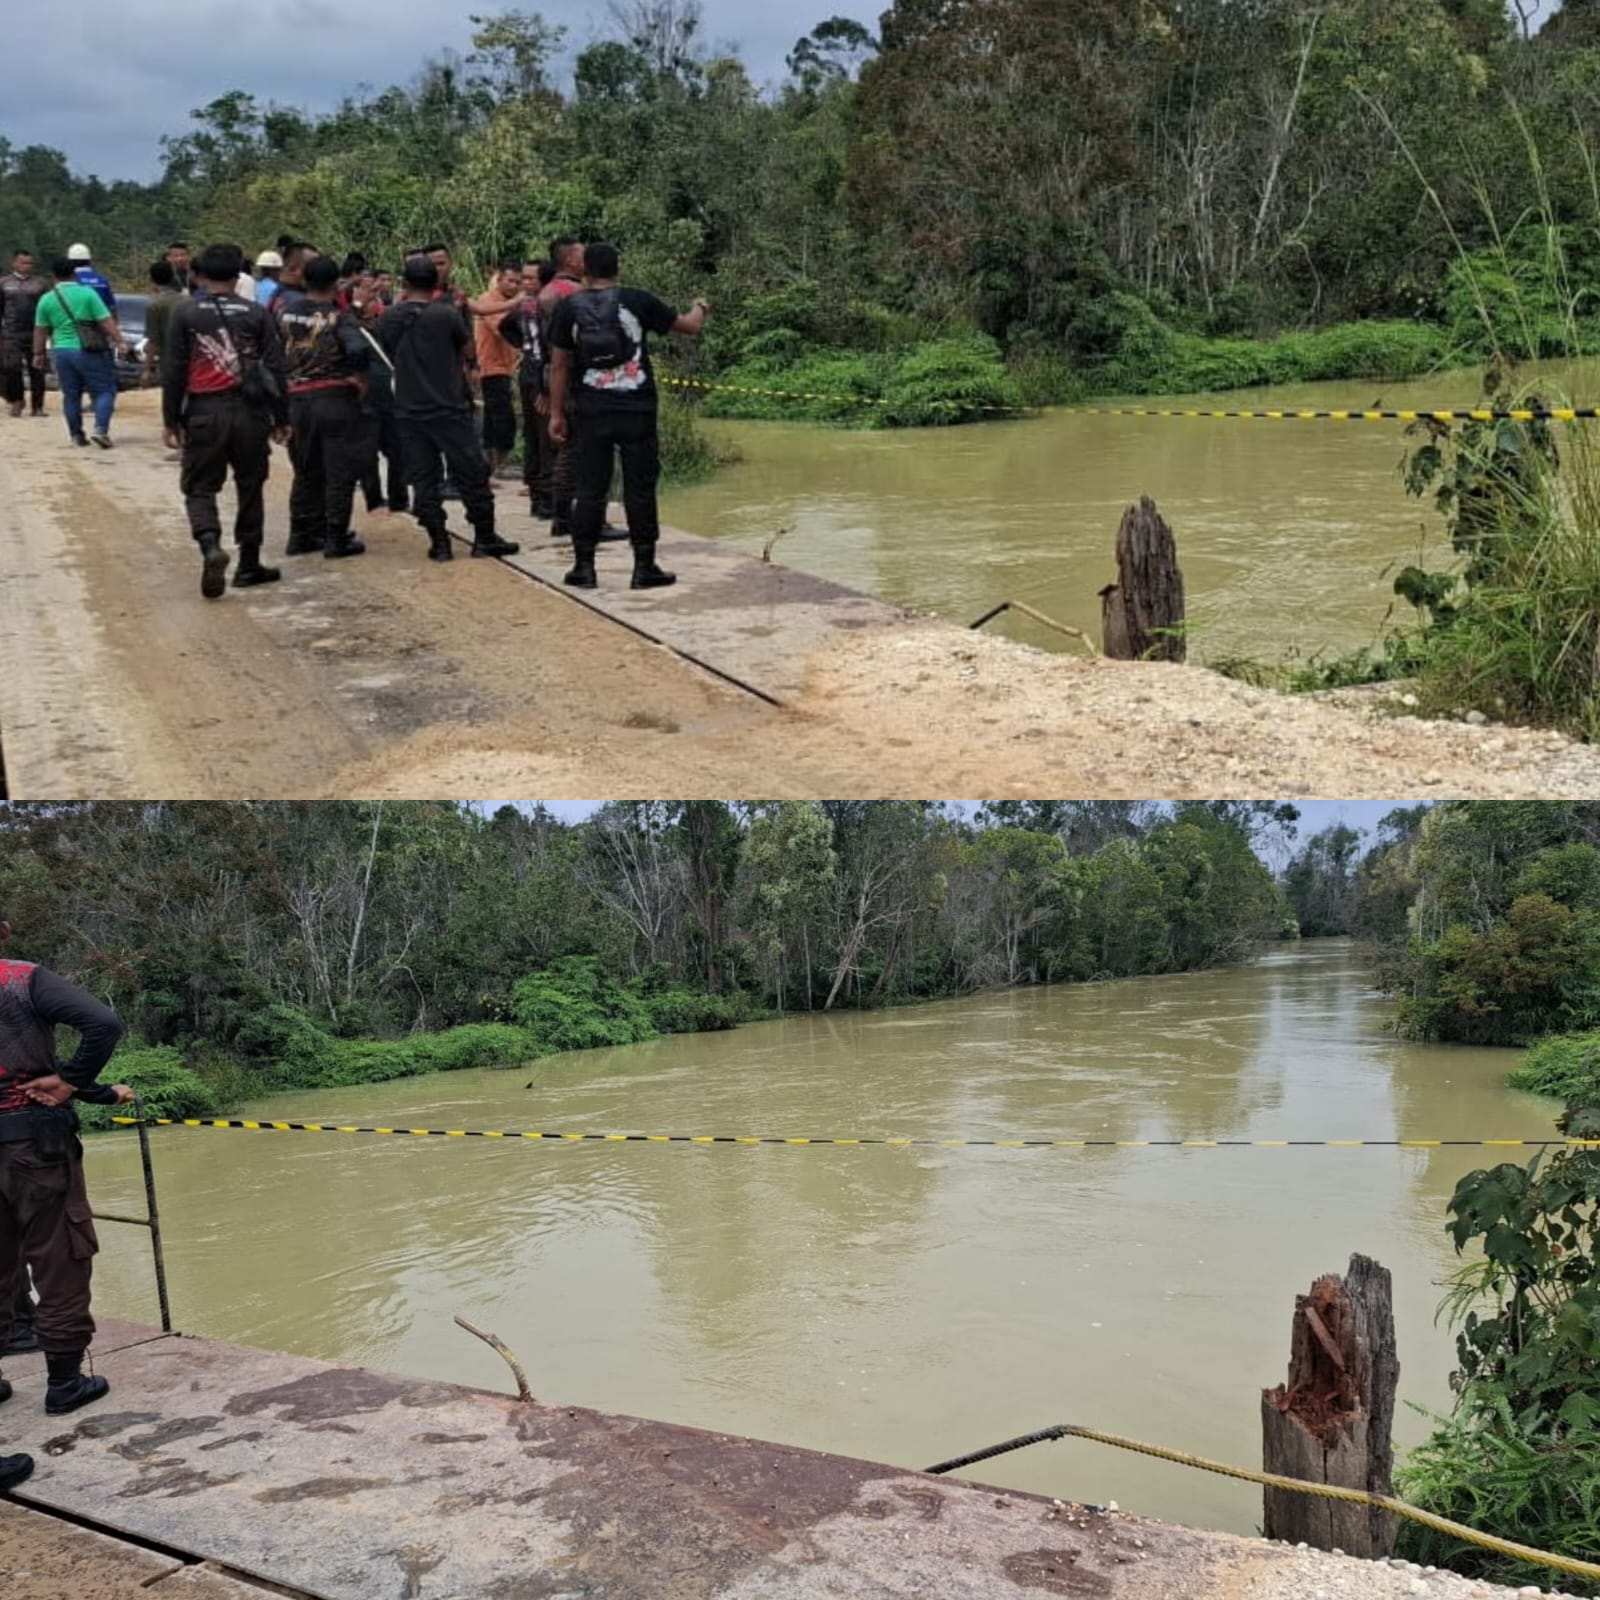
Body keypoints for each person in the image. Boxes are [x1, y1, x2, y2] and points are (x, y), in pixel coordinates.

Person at [0, 907, 134, 1489]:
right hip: (33, 1143)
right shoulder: (20, 979)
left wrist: (90, 1088)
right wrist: (76, 1081)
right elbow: (103, 1023)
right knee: (59, 1256)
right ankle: (64, 1383)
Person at [547, 241, 708, 589]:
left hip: (590, 409)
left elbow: (559, 365)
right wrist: (699, 307)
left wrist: (556, 413)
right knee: (640, 488)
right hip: (637, 408)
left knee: (590, 488)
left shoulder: (568, 307)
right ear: (618, 268)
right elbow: (689, 327)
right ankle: (644, 566)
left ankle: (584, 568)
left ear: (585, 270)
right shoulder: (638, 300)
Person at [162, 243, 291, 599]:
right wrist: (282, 417)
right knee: (250, 487)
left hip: (204, 413)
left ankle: (210, 545)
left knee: (199, 487)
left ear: (200, 274)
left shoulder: (185, 314)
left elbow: (173, 370)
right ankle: (249, 564)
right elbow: (276, 369)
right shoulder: (257, 313)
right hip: (251, 414)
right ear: (239, 276)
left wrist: (171, 420)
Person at [376, 254, 518, 563]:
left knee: (424, 478)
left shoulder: (389, 317)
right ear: (436, 282)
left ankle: (439, 542)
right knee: (471, 472)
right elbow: (468, 350)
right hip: (450, 406)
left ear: (404, 283)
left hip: (409, 409)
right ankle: (484, 537)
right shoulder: (447, 315)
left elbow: (387, 351)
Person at [279, 254, 369, 560]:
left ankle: (300, 534)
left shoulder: (285, 313)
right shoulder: (339, 316)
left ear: (304, 280)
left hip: (295, 400)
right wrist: (357, 379)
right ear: (335, 283)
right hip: (333, 399)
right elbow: (358, 349)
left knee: (305, 471)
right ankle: (335, 537)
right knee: (338, 472)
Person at [32, 258, 121, 448]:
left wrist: (38, 354)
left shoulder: (46, 299)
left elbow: (40, 329)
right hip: (88, 349)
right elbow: (105, 320)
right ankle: (100, 430)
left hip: (62, 351)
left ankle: (76, 435)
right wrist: (119, 341)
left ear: (54, 276)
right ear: (74, 274)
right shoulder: (87, 293)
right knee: (104, 390)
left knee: (71, 395)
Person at [535, 238, 586, 537]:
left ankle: (561, 514)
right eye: (582, 255)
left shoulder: (546, 292)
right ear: (570, 261)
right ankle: (568, 516)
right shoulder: (573, 293)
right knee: (578, 446)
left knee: (567, 445)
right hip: (573, 377)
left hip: (553, 375)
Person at [499, 259, 554, 513]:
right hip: (537, 375)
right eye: (524, 278)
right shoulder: (530, 305)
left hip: (533, 373)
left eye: (532, 278)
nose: (526, 283)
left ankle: (539, 495)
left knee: (537, 434)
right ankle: (542, 496)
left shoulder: (535, 304)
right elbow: (505, 327)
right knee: (540, 436)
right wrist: (526, 347)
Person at [471, 260, 523, 477]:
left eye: (517, 282)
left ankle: (492, 469)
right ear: (499, 280)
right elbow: (503, 330)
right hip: (492, 367)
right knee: (503, 421)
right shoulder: (489, 301)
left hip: (503, 368)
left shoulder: (506, 302)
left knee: (494, 421)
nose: (514, 286)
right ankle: (496, 468)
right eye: (510, 281)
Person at [0, 250, 48, 419]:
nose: (27, 266)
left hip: (35, 332)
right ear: (14, 263)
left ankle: (38, 406)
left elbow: (47, 308)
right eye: (23, 262)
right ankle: (17, 400)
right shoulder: (4, 283)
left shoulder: (40, 284)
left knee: (37, 370)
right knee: (11, 368)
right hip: (11, 333)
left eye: (30, 263)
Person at [142, 260, 183, 388]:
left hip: (168, 362)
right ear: (173, 277)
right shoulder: (188, 300)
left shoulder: (155, 305)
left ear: (152, 279)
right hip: (191, 361)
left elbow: (153, 341)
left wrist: (147, 369)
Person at [65, 243, 115, 317]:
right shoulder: (102, 280)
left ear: (69, 262)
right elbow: (111, 307)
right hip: (101, 323)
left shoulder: (69, 281)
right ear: (89, 260)